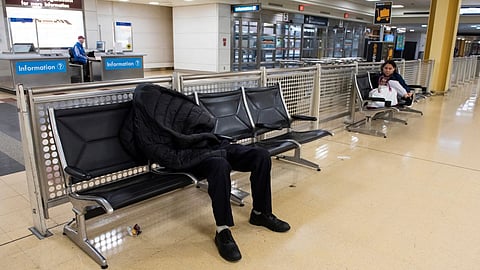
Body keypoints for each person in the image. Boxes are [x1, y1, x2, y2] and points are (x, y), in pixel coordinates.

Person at [120, 83, 290, 262]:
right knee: (220, 166)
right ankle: (222, 230)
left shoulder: (169, 103)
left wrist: (203, 140)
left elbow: (199, 122)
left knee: (261, 156)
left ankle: (260, 214)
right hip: (189, 157)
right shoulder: (142, 117)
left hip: (210, 145)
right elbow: (158, 151)